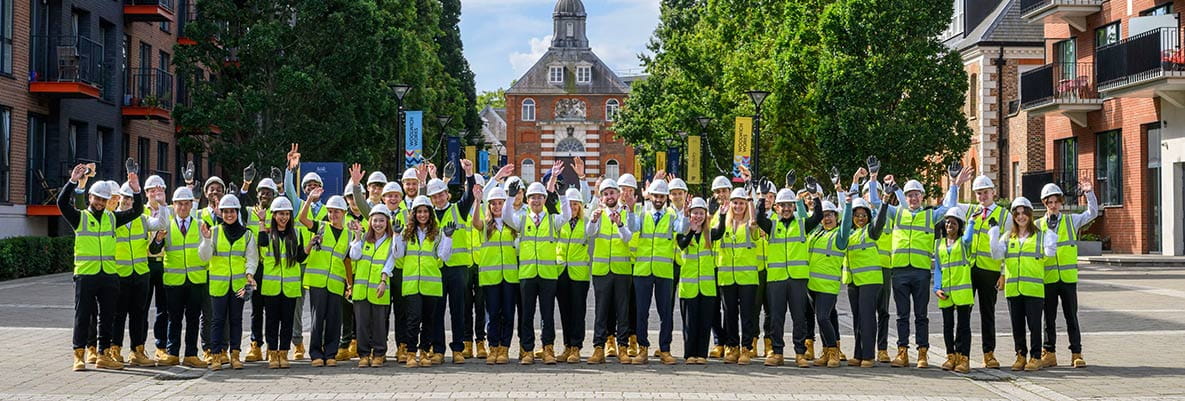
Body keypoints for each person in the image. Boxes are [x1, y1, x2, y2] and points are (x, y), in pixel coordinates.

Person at [60, 166, 144, 371]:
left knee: (107, 316)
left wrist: (136, 190)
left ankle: (103, 353)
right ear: (90, 197)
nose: (99, 202)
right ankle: (78, 354)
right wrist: (73, 182)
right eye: (96, 198)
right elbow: (61, 203)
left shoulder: (112, 218)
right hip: (86, 274)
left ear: (107, 202)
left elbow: (137, 211)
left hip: (108, 275)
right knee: (83, 315)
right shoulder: (80, 218)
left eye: (103, 200)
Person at [884, 169, 967, 368]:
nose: (913, 198)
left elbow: (948, 206)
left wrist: (954, 183)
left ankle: (923, 353)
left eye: (916, 194)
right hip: (900, 271)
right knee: (902, 315)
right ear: (904, 198)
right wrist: (876, 181)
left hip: (920, 272)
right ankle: (902, 352)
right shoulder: (897, 213)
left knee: (921, 315)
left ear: (922, 196)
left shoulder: (930, 215)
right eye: (909, 195)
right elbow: (878, 204)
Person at [505, 165, 571, 365]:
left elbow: (567, 215)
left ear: (544, 200)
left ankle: (548, 348)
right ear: (527, 200)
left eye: (540, 197)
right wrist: (509, 196)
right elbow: (507, 216)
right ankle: (527, 350)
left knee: (547, 314)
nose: (536, 200)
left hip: (548, 275)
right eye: (532, 197)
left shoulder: (552, 220)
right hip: (527, 274)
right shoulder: (521, 218)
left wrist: (562, 195)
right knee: (526, 314)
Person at [989, 197, 1057, 372]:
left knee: (1034, 325)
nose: (1021, 217)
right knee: (1017, 326)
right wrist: (993, 234)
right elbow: (997, 255)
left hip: (1033, 290)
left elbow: (1049, 253)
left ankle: (1035, 357)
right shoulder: (1008, 237)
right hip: (1013, 290)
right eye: (1017, 214)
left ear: (1030, 214)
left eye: (1024, 213)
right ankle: (1020, 355)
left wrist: (1051, 232)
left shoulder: (1040, 236)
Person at [756, 187, 820, 367]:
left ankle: (800, 353)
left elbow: (817, 217)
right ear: (777, 207)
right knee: (776, 317)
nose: (786, 208)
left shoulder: (802, 224)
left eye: (789, 205)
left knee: (799, 316)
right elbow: (759, 218)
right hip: (777, 279)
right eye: (782, 205)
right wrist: (761, 196)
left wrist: (814, 195)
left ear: (794, 206)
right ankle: (777, 352)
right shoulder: (772, 225)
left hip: (797, 279)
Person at [1037, 182, 1097, 369]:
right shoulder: (1037, 225)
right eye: (1050, 202)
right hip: (1049, 278)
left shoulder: (1071, 221)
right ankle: (1049, 353)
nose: (1053, 205)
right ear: (1044, 204)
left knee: (1071, 316)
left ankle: (1076, 353)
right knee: (1049, 318)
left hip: (1068, 279)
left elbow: (1092, 213)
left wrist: (1090, 194)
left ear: (1061, 203)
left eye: (1056, 201)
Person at [423, 161, 478, 364]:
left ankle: (457, 349)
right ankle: (438, 350)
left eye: (441, 194)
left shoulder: (458, 210)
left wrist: (469, 173)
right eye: (434, 196)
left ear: (447, 193)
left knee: (458, 310)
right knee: (437, 310)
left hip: (457, 268)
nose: (438, 199)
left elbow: (470, 195)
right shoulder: (426, 215)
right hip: (436, 269)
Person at [198, 194, 259, 370]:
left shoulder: (247, 234)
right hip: (218, 285)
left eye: (232, 211)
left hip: (239, 285)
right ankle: (216, 355)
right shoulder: (214, 232)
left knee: (236, 319)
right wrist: (207, 240)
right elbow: (204, 257)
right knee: (217, 320)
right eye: (225, 212)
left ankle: (235, 355)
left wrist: (249, 274)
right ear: (221, 213)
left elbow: (252, 257)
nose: (229, 215)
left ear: (237, 212)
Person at [111, 182, 170, 367]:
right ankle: (114, 349)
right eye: (125, 197)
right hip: (120, 274)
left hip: (140, 274)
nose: (127, 201)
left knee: (138, 314)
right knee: (118, 315)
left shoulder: (142, 219)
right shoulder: (112, 219)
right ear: (119, 198)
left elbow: (162, 223)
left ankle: (137, 351)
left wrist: (161, 204)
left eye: (130, 198)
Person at [150, 186, 208, 368]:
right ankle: (172, 353)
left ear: (192, 205)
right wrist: (158, 239)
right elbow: (153, 250)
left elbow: (208, 250)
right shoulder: (165, 224)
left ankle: (191, 354)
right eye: (179, 204)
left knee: (193, 319)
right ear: (173, 206)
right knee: (173, 319)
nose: (182, 207)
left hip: (195, 280)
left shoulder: (201, 224)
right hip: (174, 282)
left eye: (186, 204)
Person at [297, 192, 354, 367]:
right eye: (330, 211)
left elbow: (346, 261)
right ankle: (316, 354)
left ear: (344, 213)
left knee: (334, 319)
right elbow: (302, 218)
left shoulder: (349, 235)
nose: (333, 215)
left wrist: (350, 283)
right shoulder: (321, 227)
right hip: (318, 282)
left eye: (337, 212)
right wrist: (309, 199)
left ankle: (330, 353)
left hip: (336, 283)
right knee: (317, 319)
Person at [629, 179, 682, 365]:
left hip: (664, 271)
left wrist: (682, 210)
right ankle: (642, 349)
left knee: (665, 312)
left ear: (666, 197)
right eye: (655, 196)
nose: (658, 199)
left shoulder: (672, 216)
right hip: (643, 271)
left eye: (661, 196)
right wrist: (632, 207)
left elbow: (682, 229)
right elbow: (632, 227)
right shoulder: (642, 215)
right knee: (641, 312)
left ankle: (665, 349)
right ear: (650, 196)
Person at [585, 178, 634, 364]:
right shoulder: (597, 212)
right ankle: (599, 347)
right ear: (602, 197)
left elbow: (628, 238)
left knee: (622, 311)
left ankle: (622, 347)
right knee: (601, 311)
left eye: (612, 193)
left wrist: (620, 224)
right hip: (601, 270)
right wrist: (593, 220)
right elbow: (589, 233)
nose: (609, 197)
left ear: (618, 194)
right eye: (605, 194)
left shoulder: (625, 212)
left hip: (621, 270)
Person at [257, 197, 309, 369]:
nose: (284, 217)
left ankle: (284, 353)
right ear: (274, 215)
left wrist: (310, 246)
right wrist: (261, 222)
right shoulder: (266, 233)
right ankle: (273, 353)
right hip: (271, 288)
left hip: (290, 287)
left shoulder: (297, 233)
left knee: (287, 322)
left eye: (287, 214)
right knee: (271, 322)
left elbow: (300, 257)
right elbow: (262, 249)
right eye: (280, 214)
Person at [711, 187, 760, 365]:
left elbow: (755, 221)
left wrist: (751, 197)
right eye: (735, 203)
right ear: (730, 204)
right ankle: (732, 347)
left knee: (747, 315)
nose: (738, 206)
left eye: (741, 203)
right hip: (726, 277)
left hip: (747, 277)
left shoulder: (750, 224)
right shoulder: (723, 223)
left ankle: (746, 348)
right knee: (729, 314)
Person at [472, 185, 519, 365]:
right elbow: (475, 222)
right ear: (489, 206)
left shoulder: (512, 224)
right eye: (494, 204)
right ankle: (493, 347)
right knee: (492, 314)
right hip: (491, 278)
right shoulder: (486, 226)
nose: (497, 206)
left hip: (509, 277)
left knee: (507, 314)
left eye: (500, 203)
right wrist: (477, 201)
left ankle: (504, 348)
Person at [806, 194, 853, 368]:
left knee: (823, 317)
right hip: (812, 285)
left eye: (830, 215)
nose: (827, 218)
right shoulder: (816, 234)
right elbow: (805, 219)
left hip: (828, 286)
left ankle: (833, 351)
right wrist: (802, 201)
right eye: (824, 215)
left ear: (836, 217)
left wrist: (847, 204)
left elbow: (847, 224)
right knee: (826, 318)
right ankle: (826, 351)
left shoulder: (839, 237)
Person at [844, 195, 890, 368]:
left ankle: (869, 355)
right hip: (853, 281)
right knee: (857, 318)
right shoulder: (850, 233)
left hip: (870, 281)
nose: (860, 218)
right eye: (857, 215)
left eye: (864, 215)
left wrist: (884, 202)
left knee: (867, 317)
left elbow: (880, 222)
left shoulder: (871, 230)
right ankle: (858, 353)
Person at [348, 205, 396, 368]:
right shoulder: (363, 239)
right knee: (362, 325)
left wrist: (383, 281)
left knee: (379, 325)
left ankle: (379, 353)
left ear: (387, 222)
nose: (378, 224)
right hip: (361, 290)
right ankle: (364, 354)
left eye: (381, 220)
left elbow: (391, 262)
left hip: (379, 289)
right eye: (375, 220)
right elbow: (354, 256)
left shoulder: (391, 241)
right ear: (370, 222)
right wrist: (356, 236)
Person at [932, 206, 974, 374]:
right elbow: (938, 268)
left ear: (960, 226)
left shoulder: (964, 243)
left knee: (963, 327)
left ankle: (964, 358)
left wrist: (971, 222)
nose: (950, 225)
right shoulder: (939, 244)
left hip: (962, 291)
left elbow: (969, 238)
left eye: (954, 223)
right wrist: (936, 287)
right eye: (948, 222)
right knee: (947, 326)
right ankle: (951, 356)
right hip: (946, 293)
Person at [677, 197, 715, 365]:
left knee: (704, 322)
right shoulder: (683, 231)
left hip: (707, 287)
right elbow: (683, 245)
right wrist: (691, 230)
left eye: (701, 213)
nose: (698, 216)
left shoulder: (710, 234)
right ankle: (689, 354)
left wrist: (719, 214)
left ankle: (702, 354)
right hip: (689, 286)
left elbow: (720, 230)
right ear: (689, 214)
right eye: (695, 213)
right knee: (690, 323)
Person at [244, 178, 277, 363]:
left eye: (268, 192)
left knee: (271, 309)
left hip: (272, 267)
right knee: (256, 309)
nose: (265, 195)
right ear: (257, 194)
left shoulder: (278, 212)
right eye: (262, 192)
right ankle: (255, 345)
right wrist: (244, 185)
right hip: (255, 268)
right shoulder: (250, 213)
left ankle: (272, 347)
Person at [556, 187, 591, 363]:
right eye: (570, 204)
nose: (573, 207)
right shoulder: (560, 222)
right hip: (561, 271)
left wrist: (583, 180)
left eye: (576, 204)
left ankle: (576, 347)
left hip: (579, 274)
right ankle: (567, 345)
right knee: (564, 311)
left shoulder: (586, 223)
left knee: (578, 311)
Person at [142, 175, 172, 362]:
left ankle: (161, 346)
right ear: (146, 193)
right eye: (152, 190)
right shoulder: (140, 211)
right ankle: (139, 347)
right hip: (144, 263)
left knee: (164, 309)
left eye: (159, 189)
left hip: (165, 264)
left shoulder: (170, 210)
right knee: (141, 308)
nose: (155, 193)